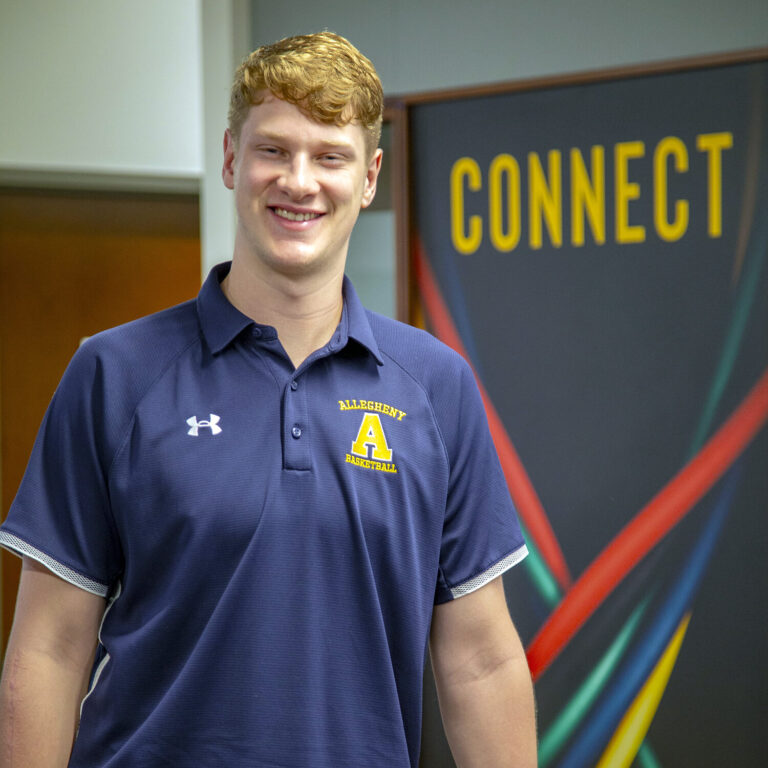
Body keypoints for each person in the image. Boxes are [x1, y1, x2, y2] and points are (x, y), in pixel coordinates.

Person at [0, 32, 536, 767]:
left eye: (330, 156)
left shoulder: (436, 388)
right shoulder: (113, 373)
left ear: (370, 176)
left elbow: (480, 662)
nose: (300, 180)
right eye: (274, 150)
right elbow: (48, 650)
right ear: (230, 158)